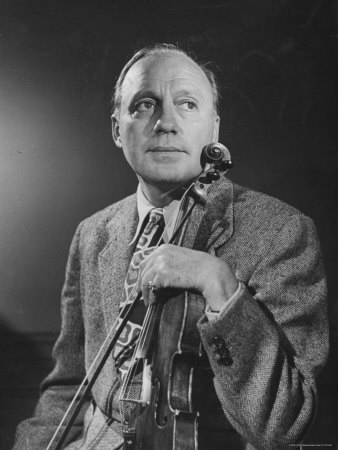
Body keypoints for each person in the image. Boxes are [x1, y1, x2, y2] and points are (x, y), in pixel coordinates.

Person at [13, 43, 328, 450]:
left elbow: (283, 425)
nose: (165, 122)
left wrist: (219, 284)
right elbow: (67, 387)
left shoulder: (281, 231)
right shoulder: (92, 233)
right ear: (116, 129)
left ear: (214, 129)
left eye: (187, 104)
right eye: (145, 104)